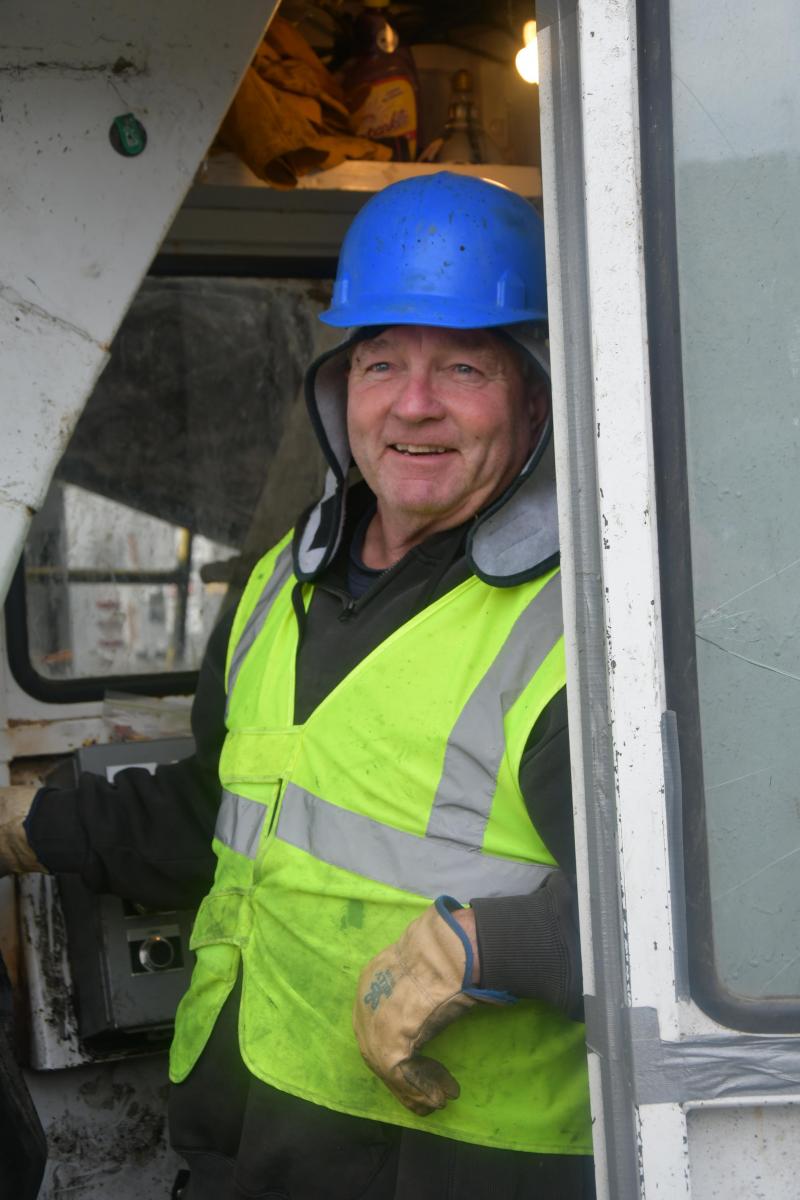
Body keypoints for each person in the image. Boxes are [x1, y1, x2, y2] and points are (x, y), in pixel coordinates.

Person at [0, 172, 593, 1199]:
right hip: (253, 1138)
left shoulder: (588, 623)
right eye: (380, 362)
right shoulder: (284, 580)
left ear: (532, 393)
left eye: (463, 365)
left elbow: (723, 921)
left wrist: (491, 943)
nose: (413, 403)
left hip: (458, 1166)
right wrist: (29, 822)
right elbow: (222, 813)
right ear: (336, 389)